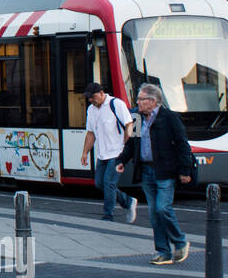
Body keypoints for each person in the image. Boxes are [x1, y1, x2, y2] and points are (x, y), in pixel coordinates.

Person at [116, 83, 193, 265]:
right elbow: (131, 143)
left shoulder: (169, 118)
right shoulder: (136, 117)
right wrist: (121, 161)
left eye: (141, 99)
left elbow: (183, 145)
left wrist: (184, 170)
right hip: (146, 171)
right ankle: (163, 252)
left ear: (152, 101)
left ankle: (180, 241)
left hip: (165, 171)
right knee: (154, 214)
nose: (138, 102)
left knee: (162, 208)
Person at [80, 82, 137, 222]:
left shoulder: (116, 104)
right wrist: (85, 152)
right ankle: (128, 201)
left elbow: (129, 124)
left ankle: (108, 215)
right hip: (102, 154)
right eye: (89, 98)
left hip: (117, 153)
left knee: (109, 183)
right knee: (99, 183)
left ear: (101, 93)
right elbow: (90, 133)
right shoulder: (91, 110)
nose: (90, 100)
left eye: (92, 97)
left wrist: (125, 146)